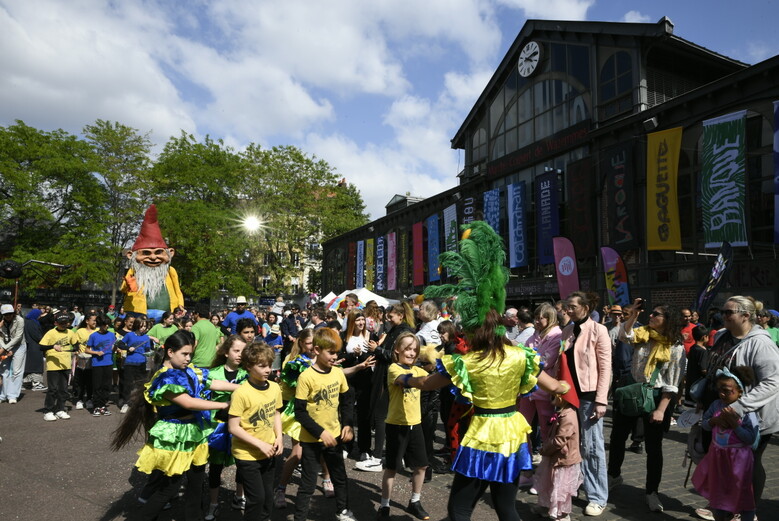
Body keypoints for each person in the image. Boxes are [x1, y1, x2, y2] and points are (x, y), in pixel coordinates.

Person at [404, 220, 572, 521]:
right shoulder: (520, 356)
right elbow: (555, 386)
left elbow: (428, 383)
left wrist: (405, 378)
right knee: (506, 507)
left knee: (459, 508)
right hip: (512, 434)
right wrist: (566, 387)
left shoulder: (467, 362)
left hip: (482, 435)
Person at [110, 330, 239, 521]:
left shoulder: (188, 370)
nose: (188, 358)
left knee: (196, 484)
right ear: (170, 352)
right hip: (176, 435)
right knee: (170, 487)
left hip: (195, 432)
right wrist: (224, 405)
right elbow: (188, 402)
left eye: (190, 354)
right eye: (184, 354)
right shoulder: (165, 378)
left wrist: (243, 387)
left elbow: (213, 383)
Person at [698, 296, 779, 517]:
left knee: (749, 463)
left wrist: (740, 407)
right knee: (724, 460)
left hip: (752, 415)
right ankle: (724, 504)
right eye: (722, 312)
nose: (722, 316)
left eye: (728, 312)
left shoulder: (761, 343)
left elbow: (773, 381)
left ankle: (747, 511)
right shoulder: (722, 335)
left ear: (745, 316)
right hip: (722, 409)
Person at [608, 298, 686, 512]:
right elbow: (624, 335)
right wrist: (633, 314)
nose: (650, 316)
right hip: (633, 391)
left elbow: (673, 382)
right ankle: (613, 475)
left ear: (668, 320)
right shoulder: (643, 334)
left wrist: (661, 409)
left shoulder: (675, 347)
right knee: (617, 437)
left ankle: (652, 491)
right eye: (650, 313)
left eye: (656, 314)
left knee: (654, 447)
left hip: (656, 396)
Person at [292, 327, 357, 521]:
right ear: (317, 350)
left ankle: (342, 511)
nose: (335, 356)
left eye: (337, 352)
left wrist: (347, 424)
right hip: (311, 440)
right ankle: (300, 517)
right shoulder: (306, 377)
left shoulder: (338, 373)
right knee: (308, 483)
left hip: (334, 436)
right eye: (331, 352)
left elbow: (347, 401)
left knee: (339, 477)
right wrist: (320, 432)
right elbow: (300, 412)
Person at [559, 291, 611, 516]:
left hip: (590, 396)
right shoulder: (567, 331)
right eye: (567, 306)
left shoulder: (599, 330)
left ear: (585, 308)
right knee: (571, 443)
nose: (568, 310)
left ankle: (597, 496)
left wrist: (601, 400)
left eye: (572, 306)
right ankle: (576, 484)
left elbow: (605, 367)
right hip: (569, 396)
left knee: (592, 446)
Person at [228, 341, 284, 521]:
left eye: (269, 365)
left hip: (269, 451)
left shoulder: (274, 387)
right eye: (262, 366)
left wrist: (279, 437)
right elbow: (233, 427)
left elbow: (276, 413)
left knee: (268, 498)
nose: (268, 370)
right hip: (247, 454)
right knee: (257, 499)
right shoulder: (241, 393)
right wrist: (260, 444)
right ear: (248, 366)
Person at [378, 332, 431, 520]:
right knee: (392, 468)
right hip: (396, 425)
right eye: (407, 349)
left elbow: (431, 376)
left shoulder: (418, 370)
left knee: (422, 466)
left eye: (415, 350)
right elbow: (405, 380)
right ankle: (384, 505)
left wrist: (441, 364)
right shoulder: (393, 368)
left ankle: (415, 501)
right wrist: (422, 381)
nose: (411, 353)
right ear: (397, 350)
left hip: (415, 424)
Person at [360, 302, 415, 472]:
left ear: (400, 315)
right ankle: (395, 455)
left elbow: (396, 355)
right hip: (387, 375)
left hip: (390, 377)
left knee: (381, 416)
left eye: (391, 316)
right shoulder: (396, 330)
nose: (388, 319)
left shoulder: (403, 332)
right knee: (386, 416)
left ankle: (377, 457)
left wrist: (377, 349)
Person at [518, 302, 563, 487]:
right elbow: (525, 355)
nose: (536, 321)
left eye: (540, 318)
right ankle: (526, 470)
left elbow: (546, 361)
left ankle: (546, 475)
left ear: (550, 318)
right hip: (528, 389)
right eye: (535, 318)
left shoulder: (556, 335)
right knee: (522, 429)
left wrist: (529, 357)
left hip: (544, 389)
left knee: (546, 432)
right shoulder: (535, 334)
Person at [205, 335, 249, 520]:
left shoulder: (247, 373)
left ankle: (239, 496)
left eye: (243, 351)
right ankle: (213, 504)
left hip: (241, 426)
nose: (240, 354)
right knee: (216, 467)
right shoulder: (213, 373)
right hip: (218, 427)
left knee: (242, 463)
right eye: (236, 350)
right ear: (225, 352)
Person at [121, 205, 185, 323]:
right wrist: (129, 285)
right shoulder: (134, 271)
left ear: (170, 253)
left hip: (166, 314)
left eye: (158, 252)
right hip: (140, 313)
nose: (153, 257)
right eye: (146, 253)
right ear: (130, 255)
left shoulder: (170, 271)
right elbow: (125, 289)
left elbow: (177, 290)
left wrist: (180, 304)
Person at [531, 392, 582, 521]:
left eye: (554, 396)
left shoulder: (568, 416)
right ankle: (545, 506)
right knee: (549, 482)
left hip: (563, 459)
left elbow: (560, 440)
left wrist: (545, 449)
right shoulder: (563, 412)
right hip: (555, 456)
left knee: (561, 488)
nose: (551, 398)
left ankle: (562, 513)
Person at [39, 311, 79, 421]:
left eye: (66, 322)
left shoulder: (70, 332)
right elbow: (41, 346)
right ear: (56, 323)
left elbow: (76, 344)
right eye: (61, 323)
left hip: (66, 364)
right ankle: (48, 410)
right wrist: (53, 346)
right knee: (52, 389)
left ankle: (60, 409)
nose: (64, 325)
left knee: (64, 389)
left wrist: (75, 348)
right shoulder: (50, 333)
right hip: (53, 365)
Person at [84, 315, 117, 416]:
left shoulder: (112, 335)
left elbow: (114, 347)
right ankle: (97, 406)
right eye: (104, 325)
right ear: (100, 325)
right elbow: (86, 350)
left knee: (107, 386)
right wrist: (96, 352)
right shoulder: (93, 336)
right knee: (97, 385)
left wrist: (115, 349)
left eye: (107, 324)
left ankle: (103, 405)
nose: (107, 326)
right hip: (97, 364)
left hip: (109, 363)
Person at [120, 316, 151, 413]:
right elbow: (120, 344)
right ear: (137, 325)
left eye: (145, 326)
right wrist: (128, 348)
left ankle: (139, 403)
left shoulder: (146, 337)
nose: (143, 328)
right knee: (127, 384)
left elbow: (147, 350)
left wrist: (150, 353)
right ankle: (126, 402)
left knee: (141, 384)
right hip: (130, 362)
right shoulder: (129, 335)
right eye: (141, 326)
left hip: (142, 363)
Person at [0, 303, 26, 404]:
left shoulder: (20, 320)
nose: (8, 316)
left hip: (19, 346)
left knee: (17, 371)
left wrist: (5, 348)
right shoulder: (1, 321)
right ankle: (3, 395)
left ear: (13, 313)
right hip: (4, 345)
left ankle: (13, 395)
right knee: (4, 371)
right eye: (5, 314)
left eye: (10, 313)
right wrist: (4, 348)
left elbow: (18, 337)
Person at [72, 312, 97, 410]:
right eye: (93, 320)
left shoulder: (98, 331)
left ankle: (89, 399)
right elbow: (74, 342)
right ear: (87, 321)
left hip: (94, 359)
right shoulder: (80, 331)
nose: (95, 322)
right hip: (82, 359)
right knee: (81, 381)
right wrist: (76, 351)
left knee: (91, 381)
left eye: (96, 320)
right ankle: (80, 399)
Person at [192, 304, 222, 368]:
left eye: (193, 313)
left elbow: (194, 344)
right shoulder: (213, 327)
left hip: (198, 362)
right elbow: (219, 342)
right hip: (212, 362)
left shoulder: (196, 327)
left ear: (197, 314)